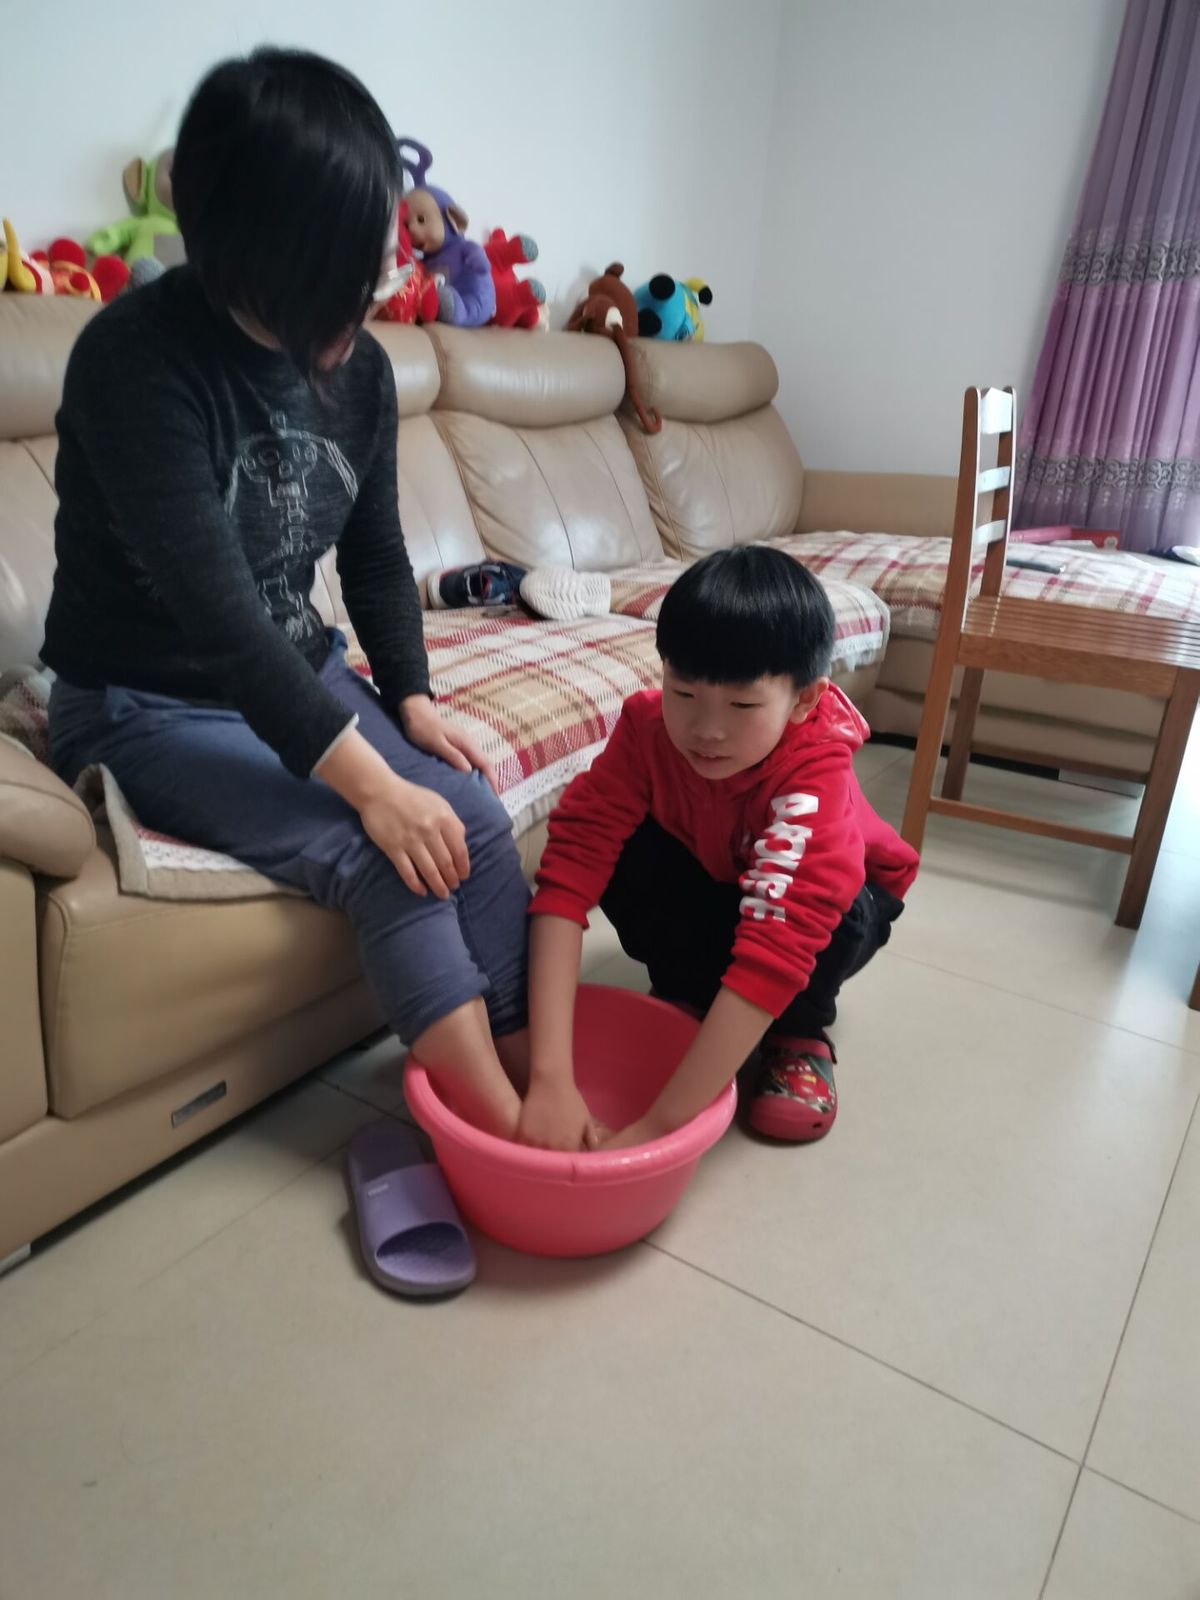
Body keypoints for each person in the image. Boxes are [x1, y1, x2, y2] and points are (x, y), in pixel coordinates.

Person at [44, 48, 530, 1137]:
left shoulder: (361, 371)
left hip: (300, 673)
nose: (367, 301)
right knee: (389, 853)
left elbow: (374, 552)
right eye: (345, 279)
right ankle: (503, 1135)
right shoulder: (134, 363)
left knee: (473, 820)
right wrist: (373, 787)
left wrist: (411, 701)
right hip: (143, 701)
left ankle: (534, 1080)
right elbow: (221, 624)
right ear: (254, 255)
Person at [522, 546, 920, 1152]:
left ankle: (798, 1033)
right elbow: (568, 875)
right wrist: (548, 1076)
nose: (707, 730)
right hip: (721, 880)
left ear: (804, 700)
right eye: (683, 693)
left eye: (742, 705)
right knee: (621, 856)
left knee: (836, 915)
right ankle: (688, 998)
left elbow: (779, 943)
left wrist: (658, 1126)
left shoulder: (812, 774)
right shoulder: (646, 732)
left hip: (841, 910)